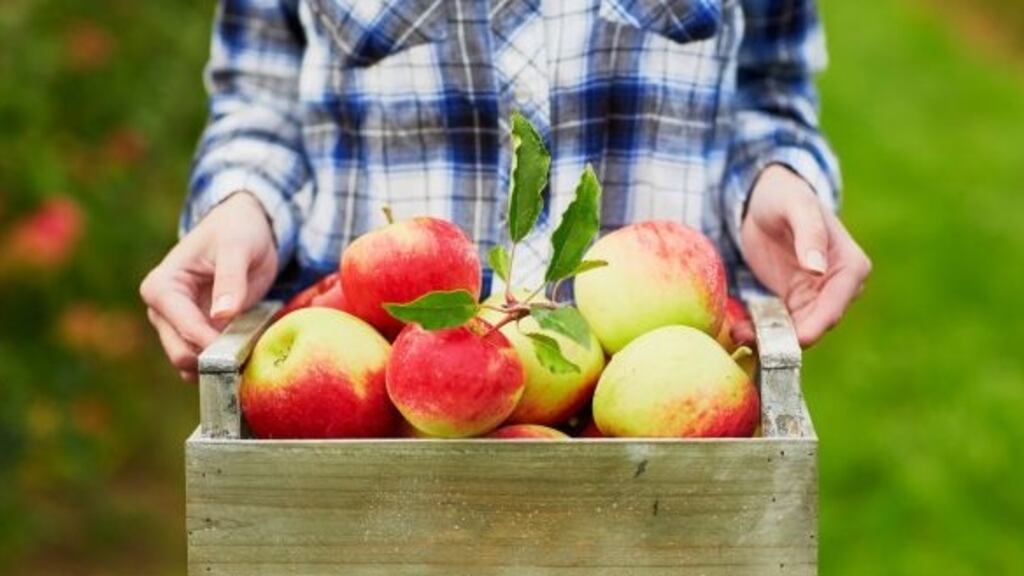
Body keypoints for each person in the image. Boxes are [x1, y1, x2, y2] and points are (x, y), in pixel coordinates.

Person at [141, 0, 870, 381]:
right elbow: (261, 97)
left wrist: (770, 177)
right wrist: (245, 203)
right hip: (372, 425)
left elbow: (767, 84)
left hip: (666, 428)